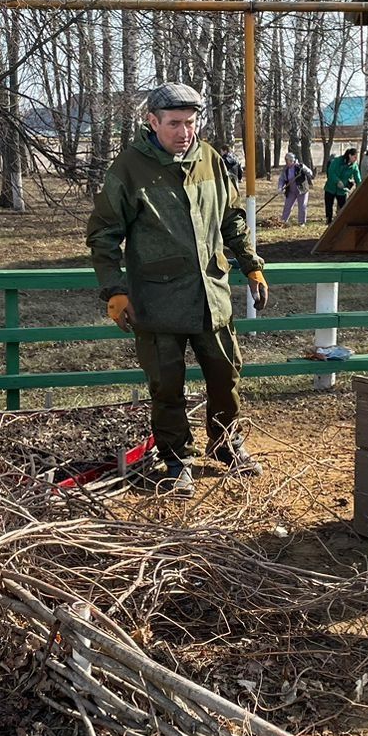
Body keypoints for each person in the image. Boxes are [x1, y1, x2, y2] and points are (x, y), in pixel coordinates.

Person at [85, 82, 269, 497]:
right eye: (174, 124)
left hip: (211, 296)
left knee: (226, 376)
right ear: (152, 122)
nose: (184, 132)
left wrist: (251, 266)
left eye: (190, 122)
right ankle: (176, 460)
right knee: (167, 387)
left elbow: (232, 220)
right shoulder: (129, 169)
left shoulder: (210, 161)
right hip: (156, 301)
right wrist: (115, 290)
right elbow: (103, 235)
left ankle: (225, 445)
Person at [322, 146, 362, 224]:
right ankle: (329, 220)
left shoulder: (354, 166)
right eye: (355, 157)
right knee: (329, 205)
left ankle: (343, 221)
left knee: (343, 207)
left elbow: (358, 178)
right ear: (350, 155)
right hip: (330, 187)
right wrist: (337, 181)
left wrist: (360, 187)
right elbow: (331, 172)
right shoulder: (337, 161)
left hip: (342, 190)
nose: (356, 159)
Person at [277, 151, 313, 225]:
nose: (286, 162)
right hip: (291, 190)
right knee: (287, 205)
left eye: (287, 160)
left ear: (291, 160)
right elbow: (282, 179)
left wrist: (304, 169)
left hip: (301, 189)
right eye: (286, 160)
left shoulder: (300, 166)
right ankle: (283, 221)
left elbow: (310, 173)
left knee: (302, 206)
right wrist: (280, 187)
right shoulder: (286, 169)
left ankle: (301, 222)